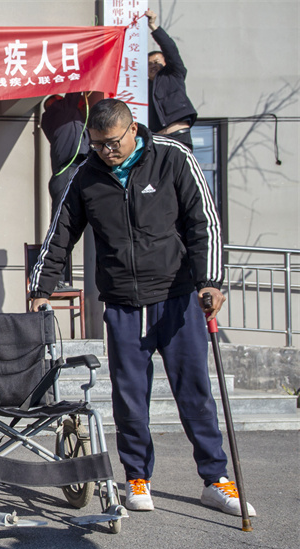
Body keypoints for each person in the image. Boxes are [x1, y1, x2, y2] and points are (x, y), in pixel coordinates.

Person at [29, 99, 255, 518]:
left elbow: (203, 220)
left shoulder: (173, 158)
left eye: (112, 143)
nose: (105, 152)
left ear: (133, 129)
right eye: (97, 145)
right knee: (130, 398)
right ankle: (138, 477)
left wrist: (210, 280)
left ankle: (215, 479)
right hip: (122, 302)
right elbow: (60, 234)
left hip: (177, 297)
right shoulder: (86, 174)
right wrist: (41, 287)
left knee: (195, 394)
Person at [41, 91, 102, 213]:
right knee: (64, 216)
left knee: (67, 216)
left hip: (70, 167)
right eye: (60, 99)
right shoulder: (60, 109)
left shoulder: (56, 119)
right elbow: (74, 90)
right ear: (54, 103)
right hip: (70, 167)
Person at [146, 9, 197, 151]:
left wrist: (153, 26)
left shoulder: (174, 74)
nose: (153, 65)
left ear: (166, 63)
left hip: (178, 136)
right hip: (155, 142)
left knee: (180, 171)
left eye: (156, 61)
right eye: (149, 64)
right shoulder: (143, 89)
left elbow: (170, 49)